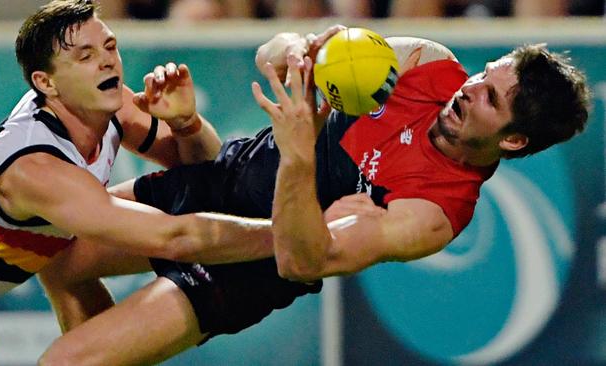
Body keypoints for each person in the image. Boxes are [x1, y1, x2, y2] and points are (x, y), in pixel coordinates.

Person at [38, 26, 590, 365]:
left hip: (238, 273)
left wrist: (300, 151)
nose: (468, 89)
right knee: (53, 257)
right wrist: (301, 49)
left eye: (490, 98)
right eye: (483, 76)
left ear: (513, 140)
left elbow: (300, 258)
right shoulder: (430, 64)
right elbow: (272, 53)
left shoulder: (434, 214)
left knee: (66, 362)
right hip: (219, 178)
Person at [0, 0, 223, 364]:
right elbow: (173, 237)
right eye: (85, 56)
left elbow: (208, 169)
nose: (107, 60)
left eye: (110, 47)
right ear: (45, 82)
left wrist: (186, 122)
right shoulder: (35, 167)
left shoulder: (110, 104)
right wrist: (281, 241)